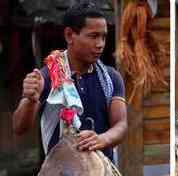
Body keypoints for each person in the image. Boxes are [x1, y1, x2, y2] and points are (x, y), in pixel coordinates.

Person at [12, 1, 127, 163]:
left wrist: (102, 139)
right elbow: (19, 127)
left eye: (103, 37)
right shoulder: (47, 77)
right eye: (93, 36)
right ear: (69, 35)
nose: (100, 44)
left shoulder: (111, 77)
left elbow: (121, 125)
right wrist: (30, 100)